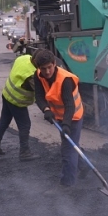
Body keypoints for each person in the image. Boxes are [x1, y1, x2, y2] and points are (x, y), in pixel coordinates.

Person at [34, 49, 84, 187]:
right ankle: (83, 166)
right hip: (58, 115)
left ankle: (68, 183)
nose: (47, 71)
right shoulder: (38, 75)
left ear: (54, 64)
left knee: (67, 149)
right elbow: (38, 96)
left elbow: (69, 105)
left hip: (73, 116)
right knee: (72, 145)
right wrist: (46, 109)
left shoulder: (65, 80)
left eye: (49, 67)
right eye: (43, 69)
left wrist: (67, 124)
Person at [0, 53, 39, 161]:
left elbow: (13, 68)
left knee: (4, 121)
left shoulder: (23, 58)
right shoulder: (31, 74)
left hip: (7, 93)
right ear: (36, 61)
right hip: (17, 100)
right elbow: (39, 92)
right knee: (25, 125)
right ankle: (24, 153)